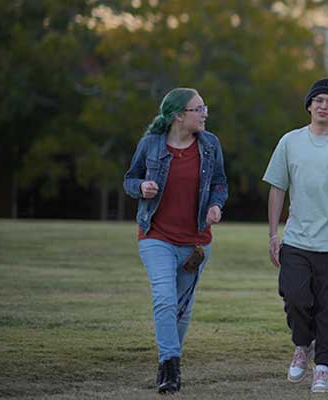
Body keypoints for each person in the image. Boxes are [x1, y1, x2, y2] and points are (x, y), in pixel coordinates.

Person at [263, 78, 328, 393]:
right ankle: (302, 343)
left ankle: (323, 367)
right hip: (296, 237)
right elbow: (277, 188)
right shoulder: (290, 142)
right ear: (310, 105)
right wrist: (273, 233)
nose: (323, 106)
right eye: (318, 100)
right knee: (294, 296)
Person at [122, 88, 228, 394]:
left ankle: (170, 357)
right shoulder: (150, 144)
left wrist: (216, 205)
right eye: (199, 109)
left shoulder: (210, 145)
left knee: (182, 308)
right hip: (156, 235)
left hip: (196, 240)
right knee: (165, 299)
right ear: (179, 115)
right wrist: (141, 186)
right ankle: (169, 366)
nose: (205, 113)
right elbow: (130, 179)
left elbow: (220, 183)